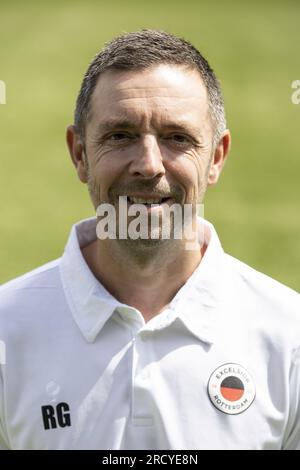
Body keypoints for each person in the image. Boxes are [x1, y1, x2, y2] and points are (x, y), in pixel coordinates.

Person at [0, 29, 299, 451]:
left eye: (177, 138)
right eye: (120, 135)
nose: (148, 165)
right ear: (80, 154)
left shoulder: (289, 337)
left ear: (215, 157)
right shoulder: (7, 332)